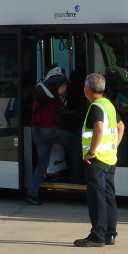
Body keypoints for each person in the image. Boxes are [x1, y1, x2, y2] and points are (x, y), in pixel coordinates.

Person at [74, 73, 124, 247]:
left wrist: (91, 152)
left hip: (97, 160)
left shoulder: (95, 106)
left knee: (97, 196)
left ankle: (97, 235)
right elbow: (121, 126)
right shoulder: (109, 105)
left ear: (87, 88)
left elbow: (99, 128)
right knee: (109, 195)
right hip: (110, 159)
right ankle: (110, 233)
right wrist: (114, 146)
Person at [26, 67, 81, 205]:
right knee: (76, 142)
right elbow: (61, 110)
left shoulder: (41, 93)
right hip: (49, 131)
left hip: (37, 132)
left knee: (41, 164)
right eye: (64, 85)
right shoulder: (52, 94)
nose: (65, 88)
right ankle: (76, 176)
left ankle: (32, 194)